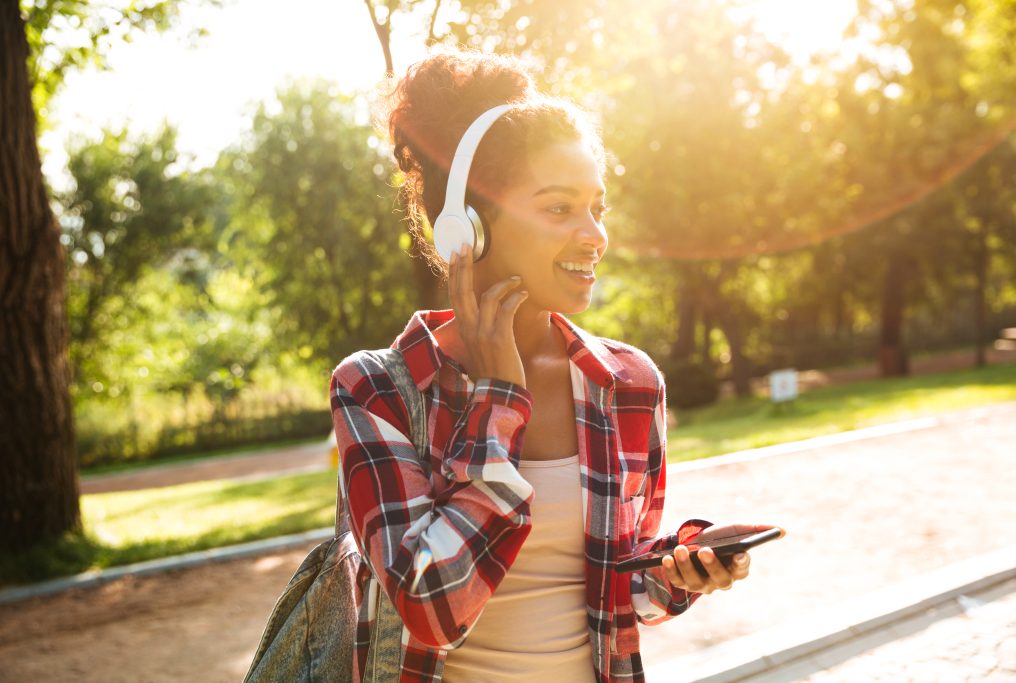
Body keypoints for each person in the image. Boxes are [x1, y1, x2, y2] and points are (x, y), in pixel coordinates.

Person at [329, 49, 782, 683]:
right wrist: (499, 399)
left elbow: (616, 594)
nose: (595, 234)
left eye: (597, 206)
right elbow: (430, 606)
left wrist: (683, 568)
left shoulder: (629, 384)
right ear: (469, 228)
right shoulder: (377, 389)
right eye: (559, 208)